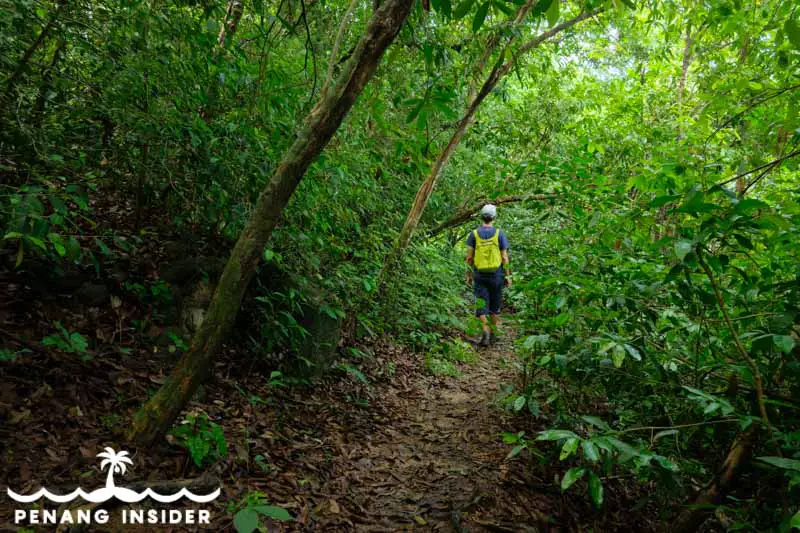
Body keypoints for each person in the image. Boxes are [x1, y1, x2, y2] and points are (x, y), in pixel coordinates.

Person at [465, 204, 510, 347]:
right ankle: (494, 334)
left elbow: (469, 258)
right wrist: (508, 276)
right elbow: (504, 257)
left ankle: (485, 330)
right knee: (495, 306)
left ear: (481, 217)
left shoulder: (474, 234)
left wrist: (468, 275)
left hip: (479, 274)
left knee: (481, 304)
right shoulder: (499, 233)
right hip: (496, 275)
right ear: (494, 217)